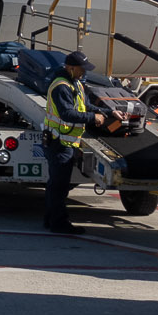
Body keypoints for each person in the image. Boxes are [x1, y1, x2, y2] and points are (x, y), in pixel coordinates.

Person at [41, 50, 102, 234]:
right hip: (59, 142)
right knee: (59, 185)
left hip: (66, 142)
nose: (84, 72)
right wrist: (93, 118)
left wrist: (106, 112)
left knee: (57, 184)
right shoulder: (61, 86)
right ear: (70, 67)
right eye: (81, 69)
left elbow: (85, 106)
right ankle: (59, 224)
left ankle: (50, 219)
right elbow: (67, 113)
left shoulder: (75, 83)